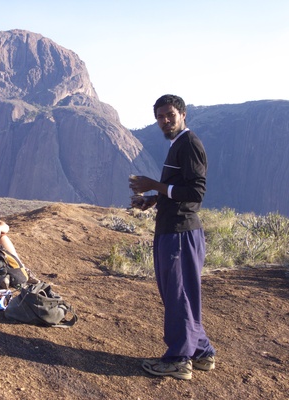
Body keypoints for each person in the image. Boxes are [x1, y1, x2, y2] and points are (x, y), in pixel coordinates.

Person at [129, 94, 216, 380]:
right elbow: (178, 188)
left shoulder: (189, 144)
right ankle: (201, 352)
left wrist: (154, 184)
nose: (165, 121)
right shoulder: (177, 144)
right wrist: (153, 199)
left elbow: (195, 192)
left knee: (179, 295)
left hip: (181, 232)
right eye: (160, 117)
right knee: (179, 295)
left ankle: (179, 360)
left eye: (170, 115)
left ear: (182, 114)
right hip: (172, 229)